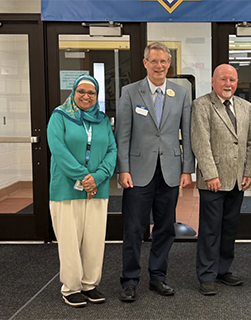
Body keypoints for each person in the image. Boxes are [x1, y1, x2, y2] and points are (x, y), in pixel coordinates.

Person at [115, 42, 195, 302]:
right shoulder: (129, 92)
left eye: (163, 62)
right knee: (135, 228)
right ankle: (129, 280)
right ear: (145, 62)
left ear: (169, 64)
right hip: (137, 172)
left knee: (165, 228)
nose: (159, 66)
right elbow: (122, 135)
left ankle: (158, 277)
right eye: (154, 61)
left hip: (170, 171)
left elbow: (188, 135)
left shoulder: (182, 93)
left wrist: (187, 169)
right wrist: (123, 169)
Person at [47, 75, 117, 307]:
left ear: (97, 96)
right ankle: (71, 287)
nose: (86, 96)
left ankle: (89, 284)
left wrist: (96, 178)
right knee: (69, 240)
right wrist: (83, 177)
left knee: (95, 240)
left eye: (91, 93)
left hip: (98, 188)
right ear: (73, 92)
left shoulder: (102, 120)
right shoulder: (60, 116)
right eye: (81, 91)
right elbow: (59, 150)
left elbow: (111, 150)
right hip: (66, 188)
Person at [191, 64, 251, 296]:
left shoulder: (246, 107)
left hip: (238, 179)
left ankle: (223, 269)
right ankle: (206, 274)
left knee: (229, 228)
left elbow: (249, 143)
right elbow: (201, 142)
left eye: (233, 79)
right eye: (224, 79)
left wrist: (249, 172)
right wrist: (210, 174)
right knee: (210, 230)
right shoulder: (201, 105)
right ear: (213, 81)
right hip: (213, 180)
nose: (228, 84)